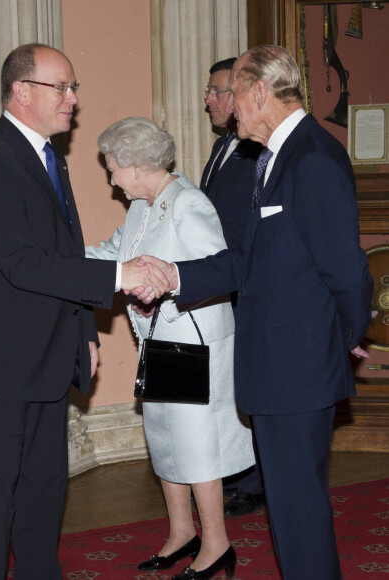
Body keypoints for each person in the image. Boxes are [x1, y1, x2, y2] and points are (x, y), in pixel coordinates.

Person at [135, 45, 373, 579]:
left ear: (260, 91)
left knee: (298, 506)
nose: (228, 106)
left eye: (234, 93)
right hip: (279, 363)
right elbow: (248, 261)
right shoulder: (274, 159)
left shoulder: (311, 157)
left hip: (298, 364)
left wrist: (346, 334)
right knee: (290, 507)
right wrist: (175, 276)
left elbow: (347, 269)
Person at [0, 44, 169, 579]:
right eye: (61, 87)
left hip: (48, 353)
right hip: (0, 361)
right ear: (21, 92)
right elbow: (23, 265)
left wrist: (83, 336)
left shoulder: (49, 157)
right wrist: (120, 275)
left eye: (74, 88)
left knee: (45, 482)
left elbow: (64, 253)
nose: (73, 99)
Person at [86, 117, 255, 580]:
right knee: (165, 440)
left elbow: (216, 269)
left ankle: (217, 544)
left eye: (113, 168)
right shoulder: (143, 205)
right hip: (158, 342)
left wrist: (163, 291)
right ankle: (182, 533)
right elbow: (117, 253)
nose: (112, 177)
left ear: (137, 166)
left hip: (193, 342)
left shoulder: (188, 202)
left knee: (197, 446)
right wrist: (62, 260)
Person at [201, 57, 266, 518]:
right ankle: (240, 474)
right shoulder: (225, 146)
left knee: (249, 380)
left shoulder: (254, 151)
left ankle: (255, 480)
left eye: (216, 92)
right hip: (224, 279)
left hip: (246, 280)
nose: (209, 100)